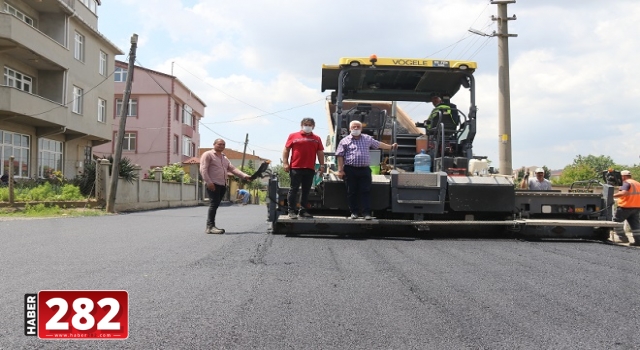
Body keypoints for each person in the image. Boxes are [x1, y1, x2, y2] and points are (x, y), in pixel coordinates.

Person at [335, 120, 398, 220]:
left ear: (361, 129)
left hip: (364, 170)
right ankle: (354, 212)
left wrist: (390, 147)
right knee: (351, 192)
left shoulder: (367, 138)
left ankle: (366, 213)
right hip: (350, 170)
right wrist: (340, 170)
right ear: (349, 129)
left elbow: (379, 144)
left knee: (366, 191)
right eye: (354, 127)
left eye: (358, 127)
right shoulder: (344, 141)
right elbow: (340, 155)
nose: (356, 128)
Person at [200, 139, 251, 234]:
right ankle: (210, 227)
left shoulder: (224, 158)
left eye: (223, 145)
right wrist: (208, 182)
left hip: (222, 184)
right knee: (214, 204)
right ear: (214, 144)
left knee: (215, 205)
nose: (221, 146)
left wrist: (245, 176)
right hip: (213, 183)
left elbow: (232, 169)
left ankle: (211, 226)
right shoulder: (208, 154)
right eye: (219, 144)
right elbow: (203, 169)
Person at [282, 118, 325, 219]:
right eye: (306, 124)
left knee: (306, 190)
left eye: (310, 125)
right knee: (294, 189)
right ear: (301, 125)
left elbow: (320, 152)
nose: (308, 126)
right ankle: (291, 211)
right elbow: (286, 149)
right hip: (296, 167)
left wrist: (322, 165)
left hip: (310, 168)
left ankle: (303, 210)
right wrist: (285, 163)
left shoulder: (317, 138)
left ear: (313, 126)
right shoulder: (293, 136)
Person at [612, 170, 640, 246]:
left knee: (616, 222)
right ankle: (638, 241)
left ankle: (622, 238)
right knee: (635, 225)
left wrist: (612, 196)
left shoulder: (626, 183)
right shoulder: (637, 183)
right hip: (636, 207)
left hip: (625, 207)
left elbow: (624, 193)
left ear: (623, 176)